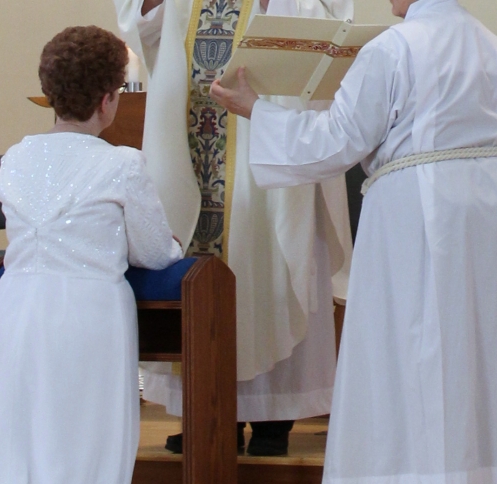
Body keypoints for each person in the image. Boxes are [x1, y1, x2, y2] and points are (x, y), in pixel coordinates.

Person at [210, 0, 497, 481]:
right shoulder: (492, 44)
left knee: (415, 342)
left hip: (422, 209)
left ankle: (414, 469)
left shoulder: (393, 47)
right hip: (496, 210)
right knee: (491, 345)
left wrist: (255, 109)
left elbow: (338, 140)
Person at [113, 0, 354, 456]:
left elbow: (331, 19)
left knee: (271, 262)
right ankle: (204, 408)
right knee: (197, 257)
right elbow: (142, 20)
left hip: (265, 138)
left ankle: (272, 416)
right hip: (192, 141)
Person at [0, 26, 182, 484]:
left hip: (14, 313)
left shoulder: (15, 159)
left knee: (10, 436)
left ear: (50, 94)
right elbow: (156, 254)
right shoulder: (120, 164)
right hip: (86, 317)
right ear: (107, 100)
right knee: (79, 443)